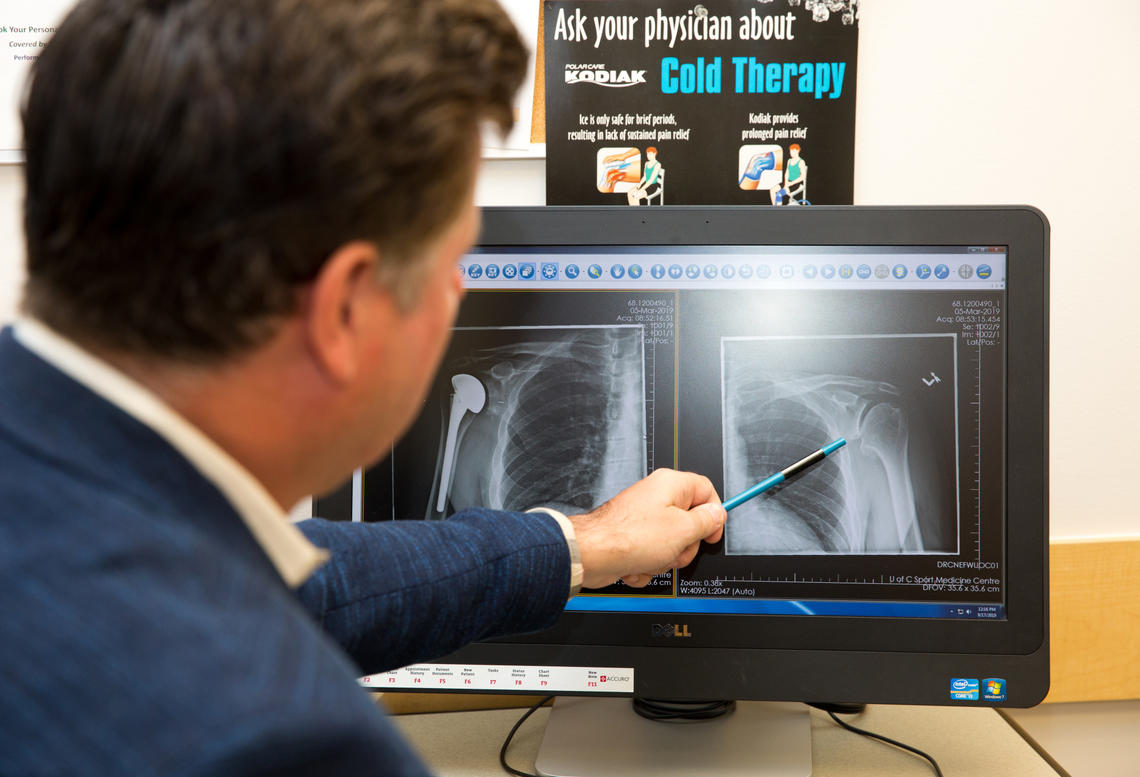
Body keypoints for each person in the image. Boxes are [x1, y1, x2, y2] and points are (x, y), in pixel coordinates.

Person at [0, 1, 726, 775]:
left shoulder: (68, 484)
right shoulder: (274, 739)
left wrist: (581, 542)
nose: (459, 286)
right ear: (345, 308)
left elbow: (297, 576)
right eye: (455, 263)